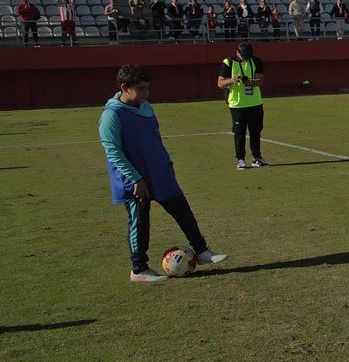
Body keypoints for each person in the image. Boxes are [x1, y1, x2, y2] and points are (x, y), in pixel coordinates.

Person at [99, 64, 229, 283]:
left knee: (183, 211)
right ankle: (139, 269)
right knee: (140, 222)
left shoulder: (146, 107)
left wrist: (166, 161)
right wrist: (136, 178)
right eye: (140, 89)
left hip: (159, 172)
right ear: (124, 88)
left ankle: (202, 251)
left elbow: (155, 137)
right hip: (135, 179)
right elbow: (113, 151)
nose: (145, 93)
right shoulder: (112, 115)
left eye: (147, 88)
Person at [218, 41, 267, 170]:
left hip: (255, 103)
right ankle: (241, 159)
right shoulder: (228, 62)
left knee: (256, 131)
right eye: (243, 57)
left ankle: (257, 157)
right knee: (239, 133)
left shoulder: (256, 61)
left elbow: (260, 81)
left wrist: (248, 81)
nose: (246, 59)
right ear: (237, 53)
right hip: (237, 104)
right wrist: (233, 80)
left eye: (248, 57)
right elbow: (220, 83)